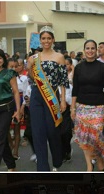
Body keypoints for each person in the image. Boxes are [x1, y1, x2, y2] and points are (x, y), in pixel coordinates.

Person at [26, 26, 69, 171]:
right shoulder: (33, 58)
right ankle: (42, 166)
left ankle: (57, 160)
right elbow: (31, 78)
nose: (46, 41)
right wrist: (30, 67)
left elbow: (63, 81)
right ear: (40, 40)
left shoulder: (59, 57)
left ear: (53, 40)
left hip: (53, 95)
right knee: (38, 132)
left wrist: (63, 99)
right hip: (37, 96)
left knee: (52, 130)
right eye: (43, 38)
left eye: (49, 38)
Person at [71, 40, 104, 171]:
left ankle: (101, 161)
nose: (90, 51)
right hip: (81, 108)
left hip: (98, 108)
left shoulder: (102, 67)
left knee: (95, 138)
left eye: (92, 48)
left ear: (96, 50)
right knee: (85, 139)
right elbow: (75, 90)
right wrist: (72, 109)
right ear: (84, 50)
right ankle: (89, 165)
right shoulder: (78, 68)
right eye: (87, 48)